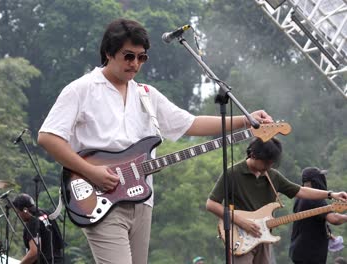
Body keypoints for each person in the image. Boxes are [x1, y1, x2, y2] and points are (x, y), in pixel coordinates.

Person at [38, 18, 274, 264]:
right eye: (129, 56)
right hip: (98, 195)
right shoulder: (81, 89)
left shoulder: (146, 94)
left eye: (142, 57)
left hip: (142, 199)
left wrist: (245, 120)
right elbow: (48, 137)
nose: (135, 64)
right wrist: (91, 172)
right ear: (108, 52)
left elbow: (190, 123)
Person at [206, 138, 347, 264]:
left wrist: (331, 194)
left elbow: (300, 190)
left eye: (272, 163)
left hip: (263, 237)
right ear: (253, 155)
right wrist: (241, 221)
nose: (269, 166)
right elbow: (211, 204)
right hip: (240, 236)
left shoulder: (272, 176)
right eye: (266, 162)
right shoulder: (232, 173)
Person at [289, 167, 347, 264]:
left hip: (298, 251)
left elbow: (309, 223)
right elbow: (334, 219)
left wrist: (328, 234)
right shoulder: (315, 198)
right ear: (316, 180)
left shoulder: (299, 198)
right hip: (310, 254)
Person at [12, 193, 63, 264]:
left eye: (18, 212)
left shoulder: (32, 222)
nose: (18, 215)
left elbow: (34, 252)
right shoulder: (47, 214)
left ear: (25, 210)